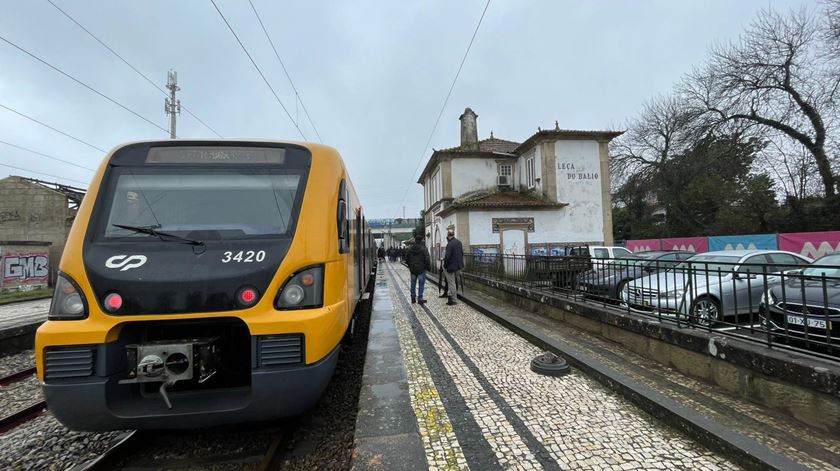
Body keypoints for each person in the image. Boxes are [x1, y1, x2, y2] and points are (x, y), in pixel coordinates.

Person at [405, 234, 431, 304]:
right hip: (421, 269)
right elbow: (427, 259)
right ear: (421, 240)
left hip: (413, 269)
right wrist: (428, 268)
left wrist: (410, 265)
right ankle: (420, 298)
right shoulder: (424, 249)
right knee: (421, 284)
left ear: (415, 240)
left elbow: (406, 258)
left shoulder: (410, 249)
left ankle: (413, 298)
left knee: (413, 284)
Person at [442, 229, 464, 305]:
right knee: (453, 282)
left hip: (451, 267)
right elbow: (461, 253)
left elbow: (447, 257)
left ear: (448, 236)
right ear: (453, 234)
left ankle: (454, 300)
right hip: (458, 266)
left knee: (451, 283)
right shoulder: (459, 242)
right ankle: (450, 296)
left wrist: (445, 266)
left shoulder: (450, 244)